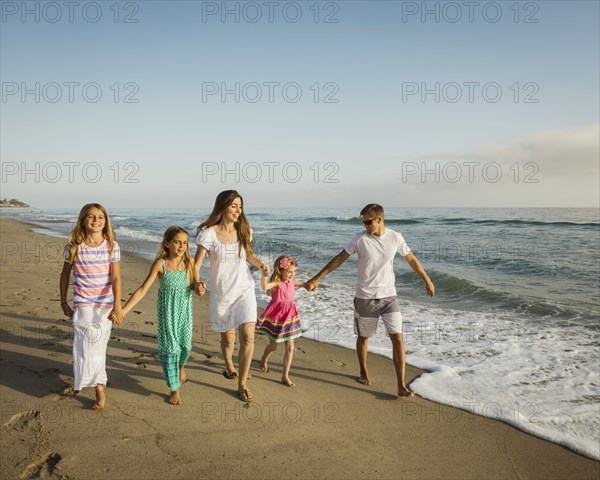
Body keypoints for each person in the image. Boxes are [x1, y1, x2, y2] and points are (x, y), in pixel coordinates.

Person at [306, 203, 435, 397]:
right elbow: (339, 259)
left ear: (379, 219)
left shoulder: (395, 237)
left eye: (368, 222)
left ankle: (401, 385)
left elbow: (411, 259)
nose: (365, 226)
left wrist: (427, 280)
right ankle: (363, 371)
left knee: (398, 339)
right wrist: (316, 278)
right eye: (363, 222)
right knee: (363, 337)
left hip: (389, 297)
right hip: (365, 297)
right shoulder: (359, 239)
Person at [193, 190, 269, 402]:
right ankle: (228, 364)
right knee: (228, 339)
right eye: (234, 206)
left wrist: (260, 264)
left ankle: (242, 383)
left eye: (240, 206)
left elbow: (248, 255)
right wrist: (197, 283)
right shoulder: (208, 233)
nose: (238, 210)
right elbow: (196, 264)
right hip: (222, 293)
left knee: (248, 335)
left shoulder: (244, 230)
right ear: (223, 207)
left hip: (244, 289)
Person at [116, 226, 202, 405]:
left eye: (185, 243)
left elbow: (194, 285)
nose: (181, 246)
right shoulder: (160, 264)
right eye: (177, 242)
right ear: (168, 243)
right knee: (172, 350)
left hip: (185, 312)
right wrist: (123, 310)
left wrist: (200, 288)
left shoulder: (190, 263)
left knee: (186, 347)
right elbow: (142, 290)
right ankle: (174, 388)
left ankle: (181, 367)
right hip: (168, 314)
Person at [59, 203, 123, 409]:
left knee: (99, 346)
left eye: (100, 217)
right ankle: (99, 387)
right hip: (83, 302)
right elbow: (65, 275)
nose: (96, 221)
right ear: (83, 220)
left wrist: (118, 306)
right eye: (91, 217)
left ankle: (98, 382)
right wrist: (63, 301)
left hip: (105, 304)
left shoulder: (112, 246)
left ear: (106, 222)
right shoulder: (74, 246)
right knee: (87, 344)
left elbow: (116, 278)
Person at [256, 256, 304, 387]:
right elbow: (264, 286)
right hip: (278, 318)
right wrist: (264, 275)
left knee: (290, 347)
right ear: (280, 270)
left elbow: (299, 283)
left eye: (294, 272)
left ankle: (285, 375)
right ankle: (264, 358)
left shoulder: (292, 281)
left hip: (290, 316)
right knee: (273, 346)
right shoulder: (277, 283)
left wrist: (308, 284)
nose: (292, 274)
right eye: (289, 272)